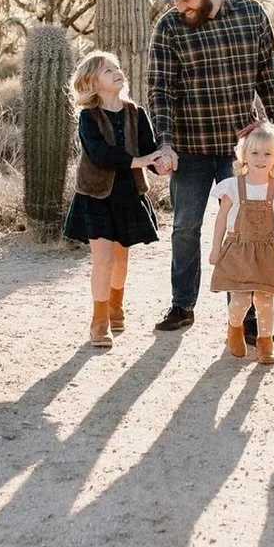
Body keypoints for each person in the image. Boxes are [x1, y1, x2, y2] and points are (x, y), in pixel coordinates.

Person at [147, 0, 274, 338]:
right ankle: (182, 305)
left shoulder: (251, 14)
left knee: (245, 231)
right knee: (185, 227)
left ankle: (245, 318)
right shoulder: (170, 27)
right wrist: (164, 145)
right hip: (189, 147)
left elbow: (269, 79)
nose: (180, 5)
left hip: (242, 150)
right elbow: (160, 91)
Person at [63, 50, 162, 348]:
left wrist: (163, 160)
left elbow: (150, 149)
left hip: (127, 194)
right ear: (93, 82)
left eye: (117, 67)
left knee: (121, 257)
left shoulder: (136, 112)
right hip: (95, 195)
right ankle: (99, 321)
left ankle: (116, 304)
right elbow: (100, 155)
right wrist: (142, 160)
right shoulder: (88, 117)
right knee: (103, 258)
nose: (117, 72)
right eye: (108, 70)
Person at [208, 123, 274, 366]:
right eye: (254, 153)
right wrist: (215, 248)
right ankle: (234, 328)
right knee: (240, 302)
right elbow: (221, 218)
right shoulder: (232, 185)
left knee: (264, 301)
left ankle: (265, 343)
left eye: (267, 154)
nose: (260, 159)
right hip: (238, 249)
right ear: (244, 155)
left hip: (266, 251)